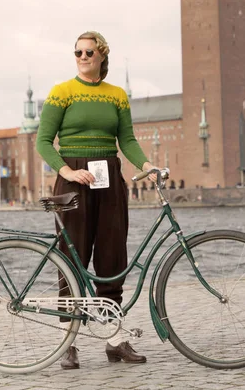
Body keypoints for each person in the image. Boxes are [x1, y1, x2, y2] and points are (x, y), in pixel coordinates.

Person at [36, 31, 154, 370]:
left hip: (109, 178)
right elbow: (44, 142)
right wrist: (68, 172)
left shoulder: (116, 96)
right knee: (72, 261)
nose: (83, 57)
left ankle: (115, 340)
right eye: (78, 52)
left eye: (89, 52)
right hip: (72, 180)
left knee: (112, 257)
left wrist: (147, 166)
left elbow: (127, 140)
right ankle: (67, 343)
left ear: (102, 55)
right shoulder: (62, 93)